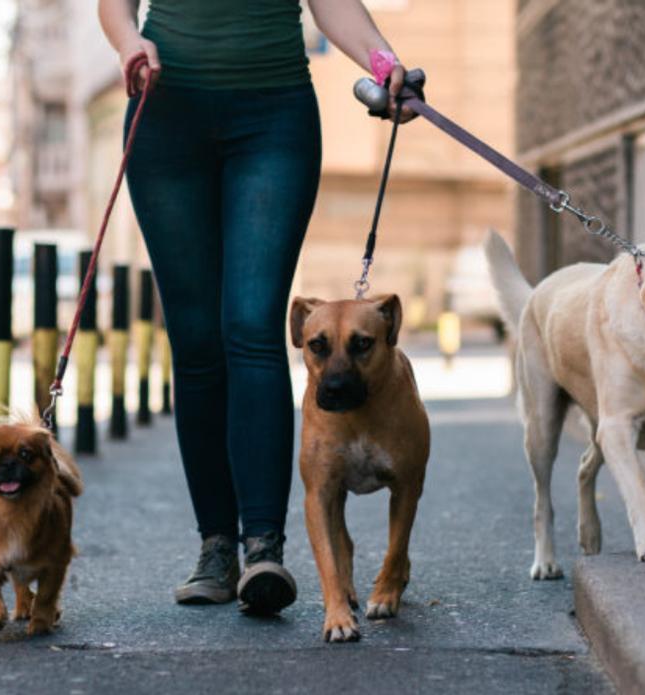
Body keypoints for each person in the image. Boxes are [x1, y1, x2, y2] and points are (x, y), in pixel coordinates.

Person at [98, 0, 414, 616]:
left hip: (273, 117)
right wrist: (130, 44)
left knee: (250, 326)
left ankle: (264, 547)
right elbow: (115, 8)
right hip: (166, 116)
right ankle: (216, 547)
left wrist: (384, 63)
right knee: (196, 341)